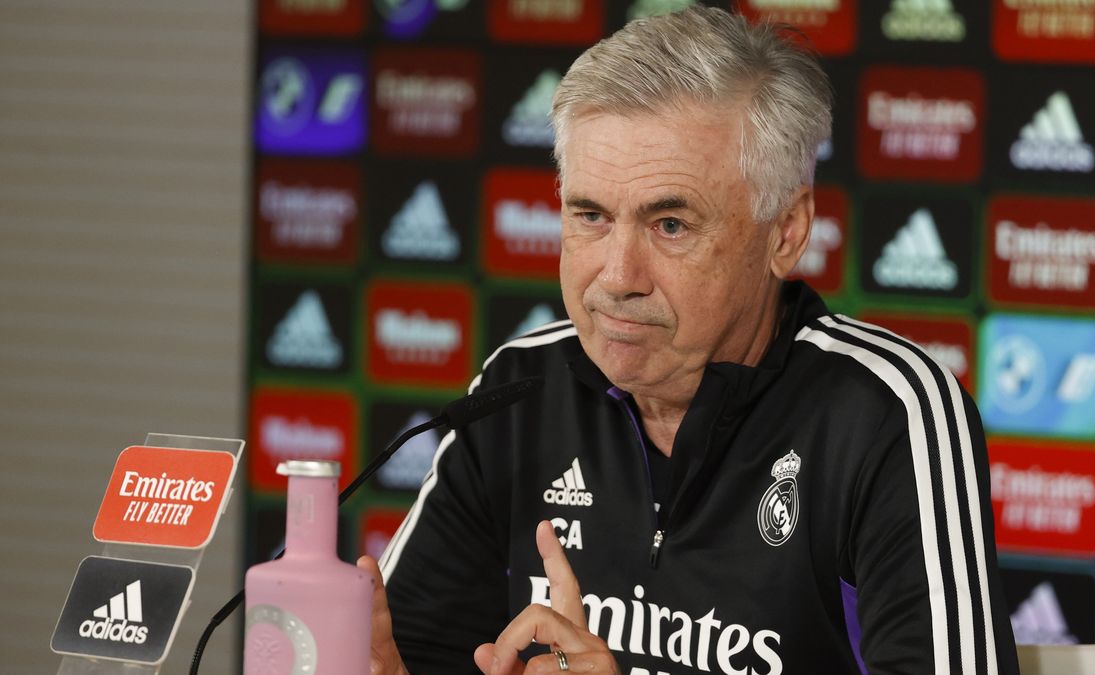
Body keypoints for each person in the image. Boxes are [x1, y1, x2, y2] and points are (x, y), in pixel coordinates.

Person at [358, 7, 1021, 674]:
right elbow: (405, 654)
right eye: (589, 215)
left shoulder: (885, 415)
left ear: (785, 232)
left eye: (670, 224)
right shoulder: (518, 392)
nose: (617, 278)